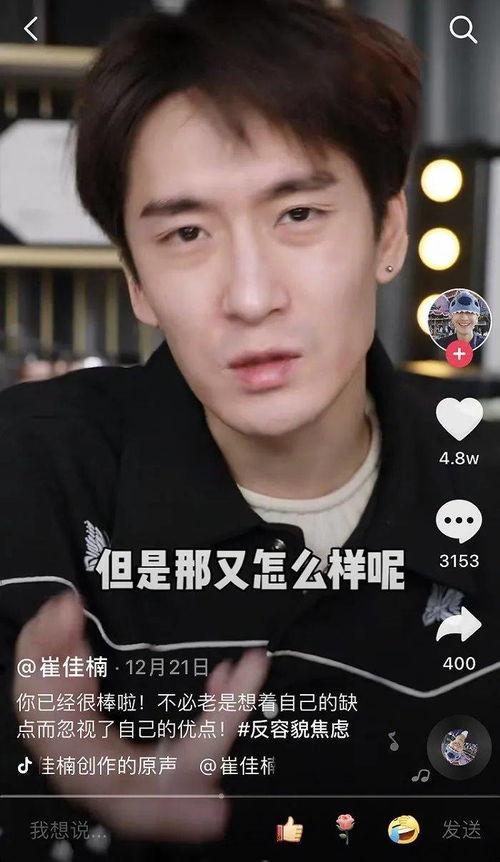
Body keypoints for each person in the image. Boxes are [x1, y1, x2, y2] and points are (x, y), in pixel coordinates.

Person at [1, 2, 499, 860]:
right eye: (187, 232)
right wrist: (103, 800)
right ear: (138, 282)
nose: (251, 296)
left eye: (298, 214)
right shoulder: (26, 477)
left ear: (388, 231)